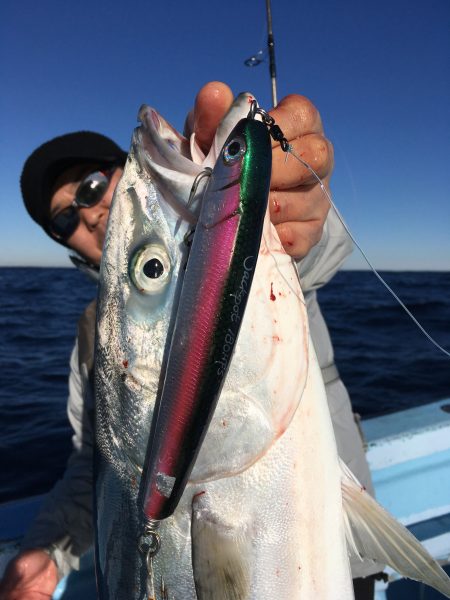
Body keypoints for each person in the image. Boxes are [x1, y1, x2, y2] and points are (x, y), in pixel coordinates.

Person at [0, 82, 375, 599]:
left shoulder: (228, 251)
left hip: (345, 547)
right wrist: (48, 550)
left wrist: (295, 204)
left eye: (90, 185)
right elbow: (98, 468)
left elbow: (313, 256)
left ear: (118, 175)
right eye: (63, 219)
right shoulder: (92, 338)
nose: (86, 213)